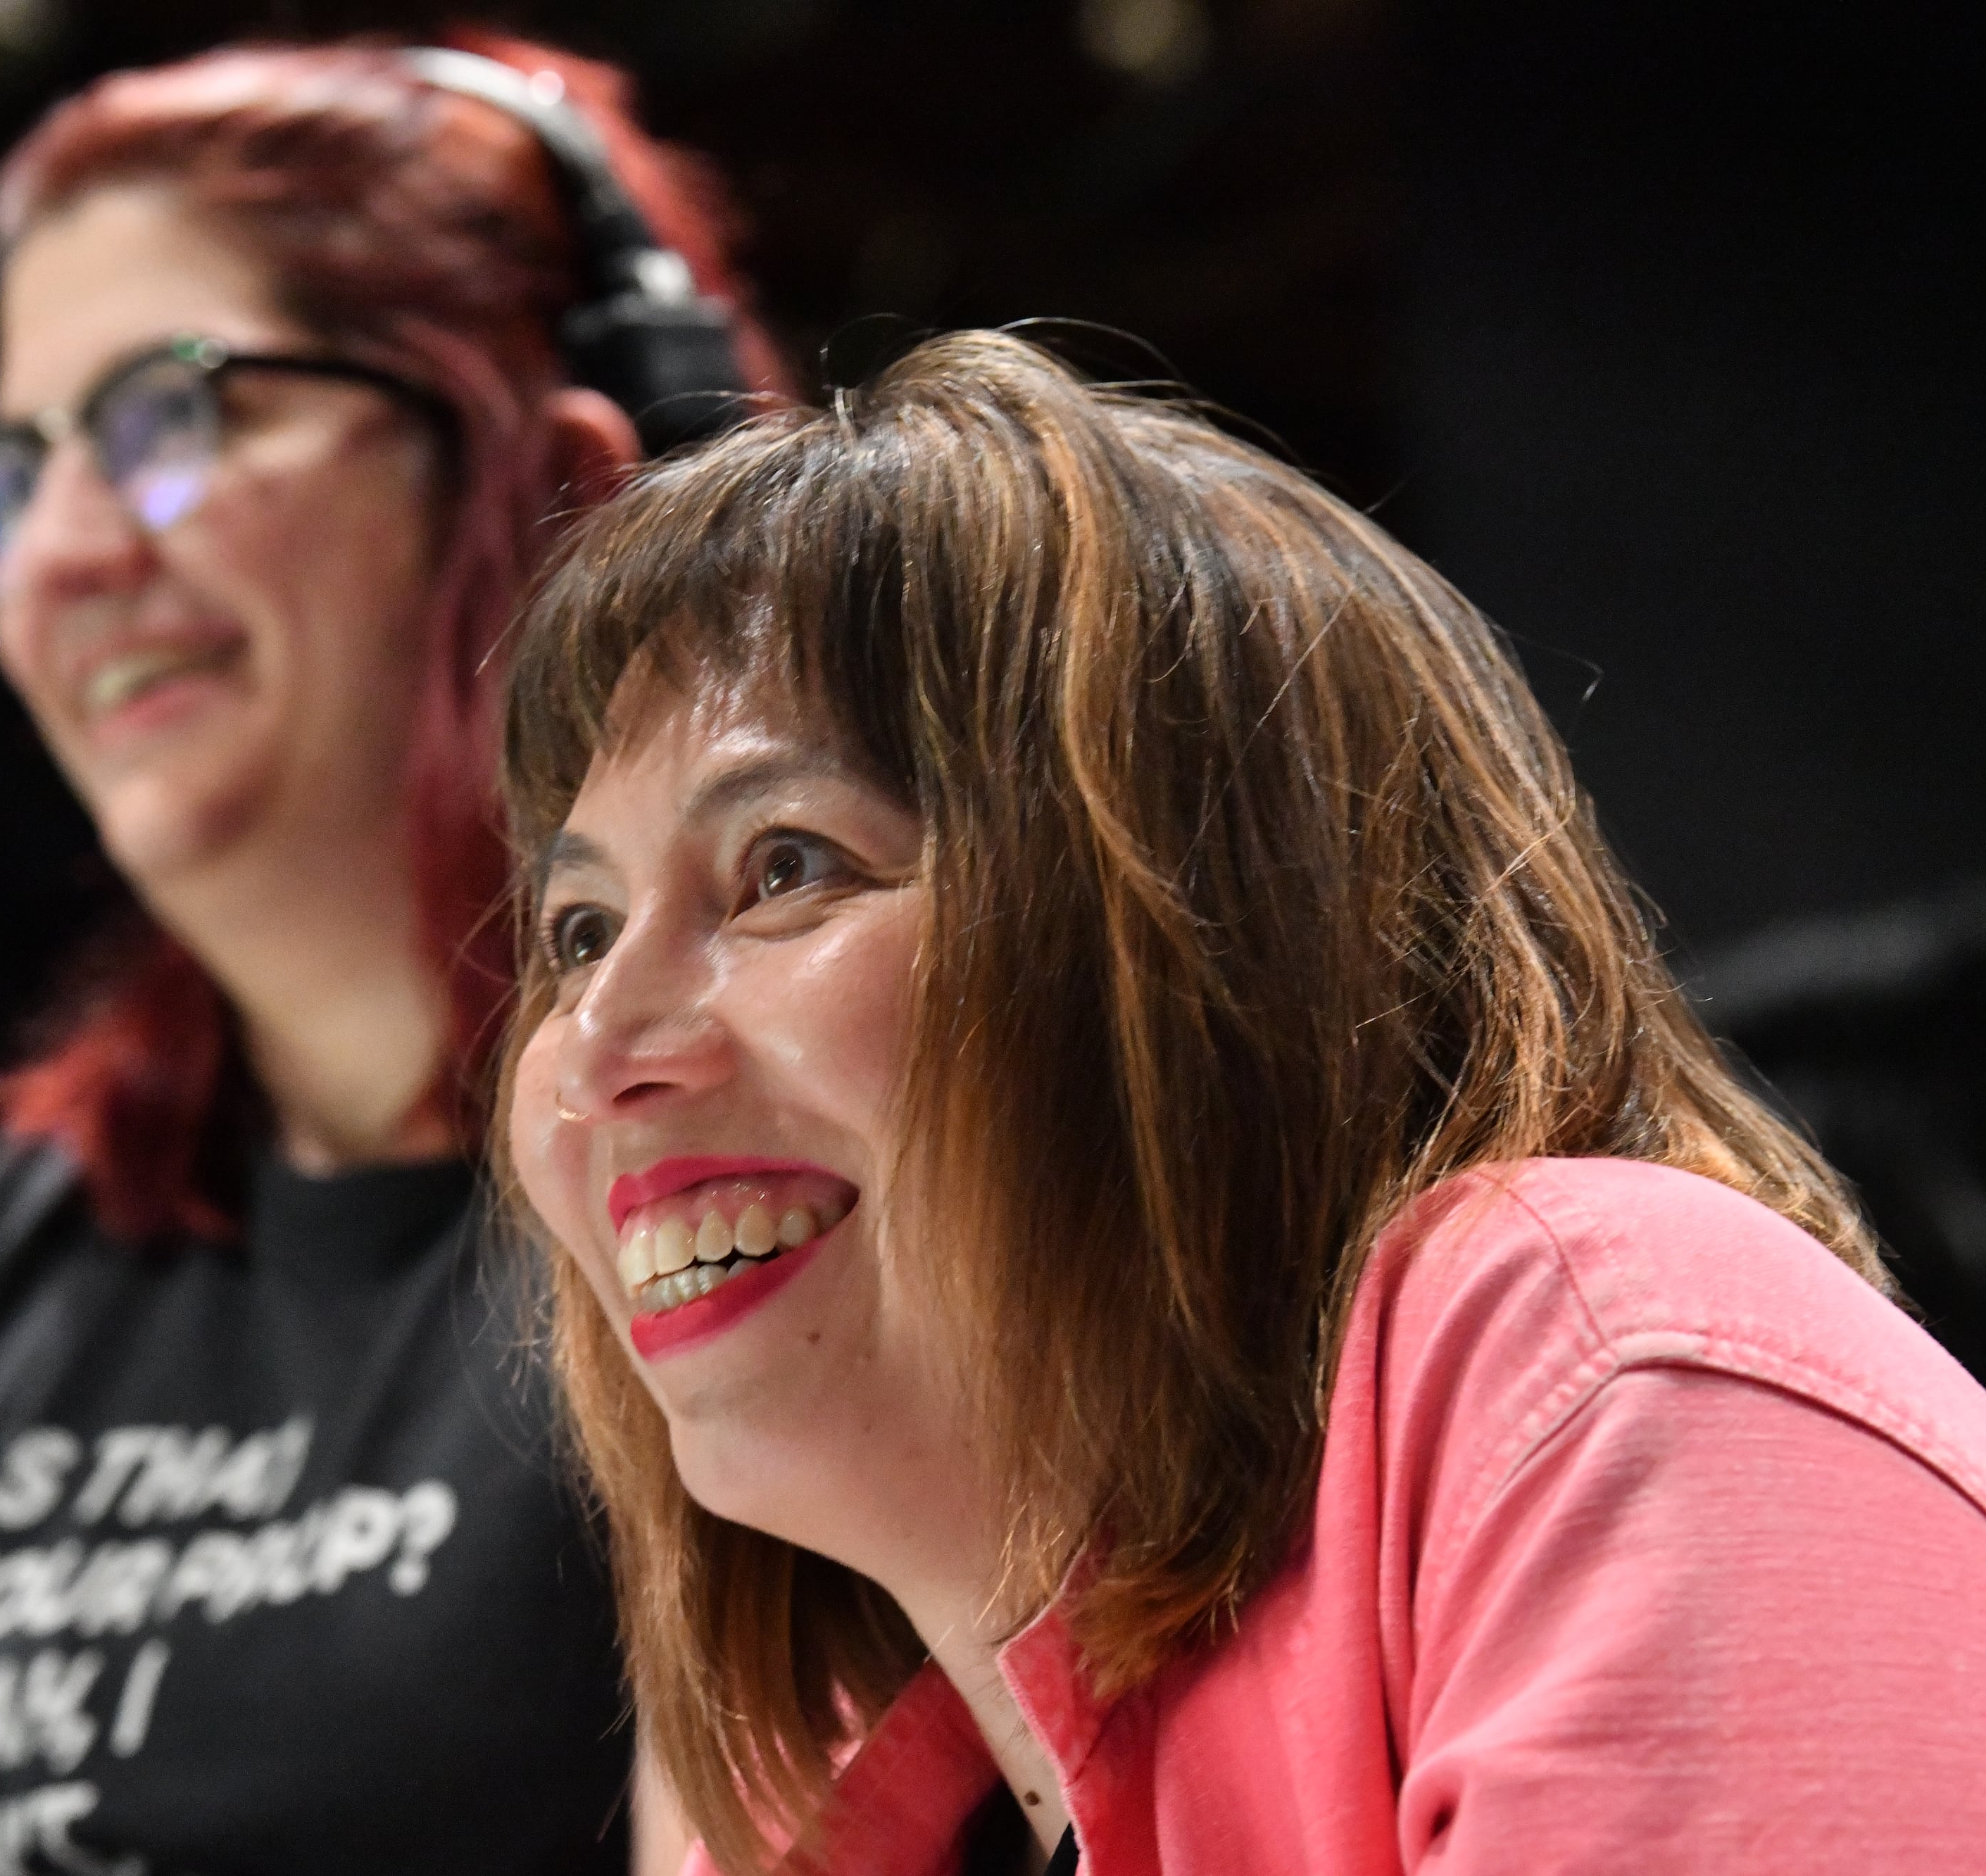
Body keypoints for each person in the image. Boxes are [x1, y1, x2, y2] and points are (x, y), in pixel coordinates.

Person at [497, 329, 1986, 1875]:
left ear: (1206, 939)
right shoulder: (819, 1804)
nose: (595, 1047)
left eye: (785, 866)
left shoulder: (1597, 1361)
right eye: (579, 931)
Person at [0, 34, 787, 1876]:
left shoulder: (745, 1203)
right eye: (14, 474)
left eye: (169, 416)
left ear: (545, 466)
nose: (61, 556)